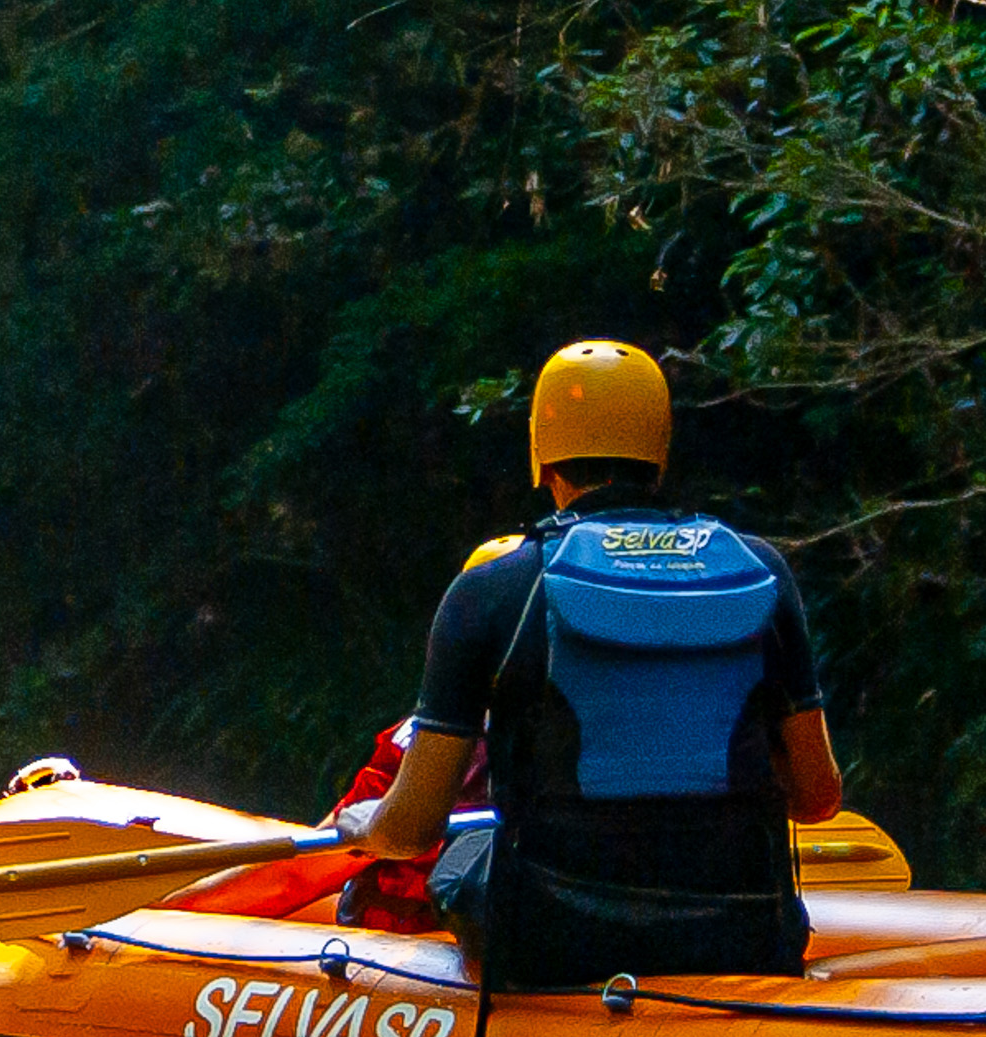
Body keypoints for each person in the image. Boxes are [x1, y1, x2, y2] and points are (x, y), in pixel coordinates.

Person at [342, 337, 842, 988]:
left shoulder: (492, 591)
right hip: (744, 935)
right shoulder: (761, 571)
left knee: (463, 857)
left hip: (555, 944)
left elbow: (412, 829)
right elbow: (818, 796)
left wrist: (366, 827)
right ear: (660, 454)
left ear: (541, 455)